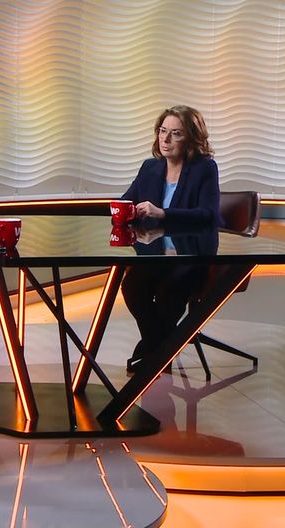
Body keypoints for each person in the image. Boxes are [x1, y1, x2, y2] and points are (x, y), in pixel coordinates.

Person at [120, 105, 220, 373]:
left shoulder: (204, 169)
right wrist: (126, 211)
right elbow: (126, 201)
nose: (165, 139)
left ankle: (151, 353)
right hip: (155, 255)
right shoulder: (150, 167)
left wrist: (163, 213)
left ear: (191, 138)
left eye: (175, 133)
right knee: (132, 287)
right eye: (162, 131)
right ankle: (159, 349)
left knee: (170, 292)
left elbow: (209, 215)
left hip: (192, 256)